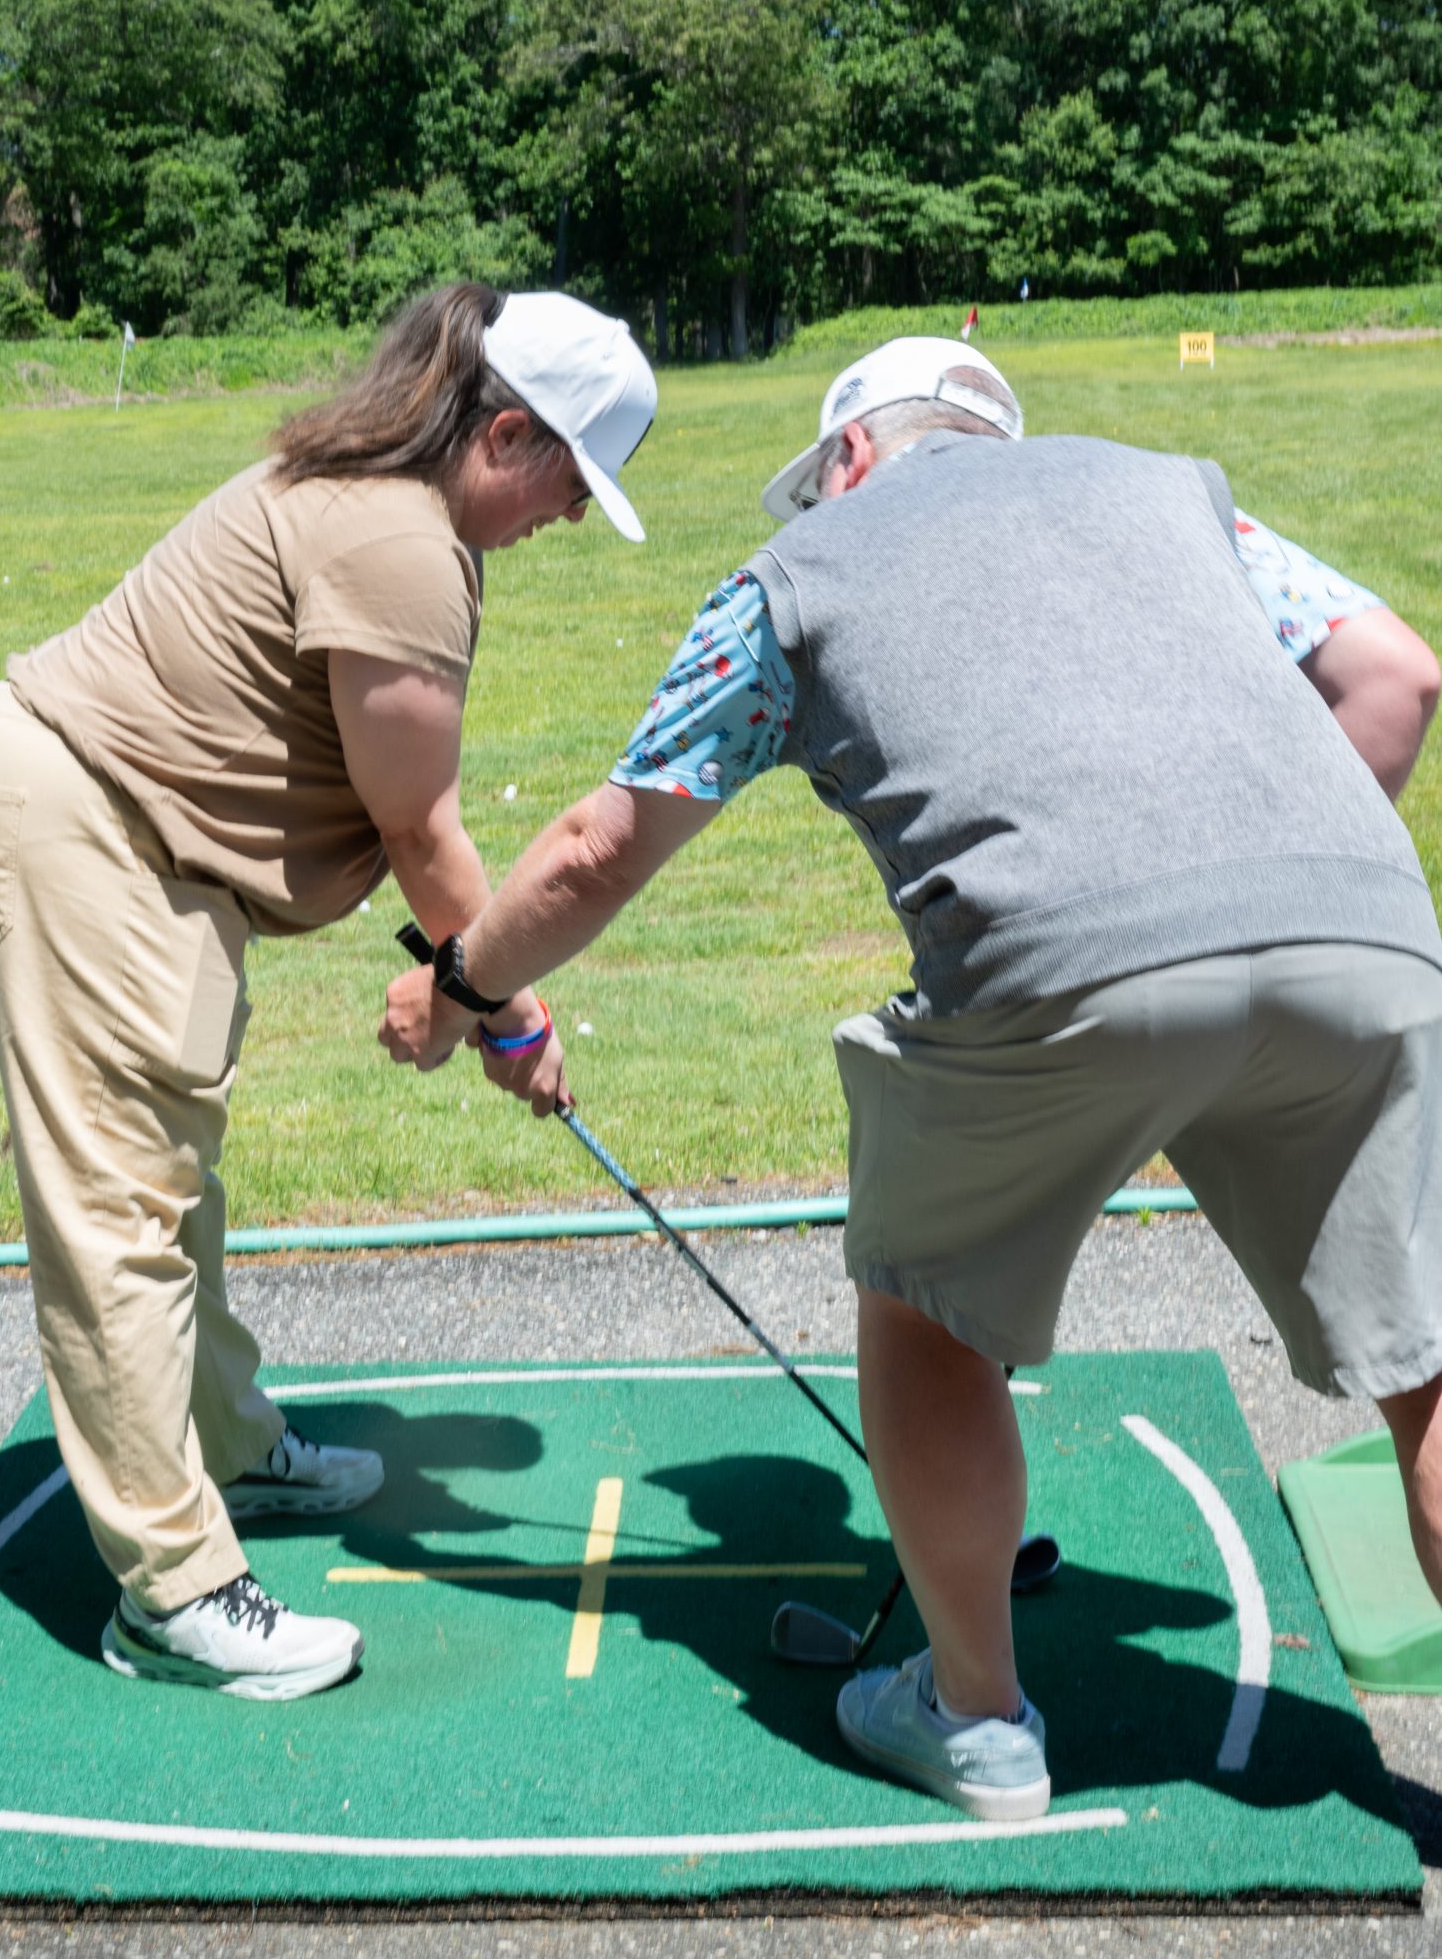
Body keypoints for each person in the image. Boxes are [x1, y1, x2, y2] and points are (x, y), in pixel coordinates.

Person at [380, 333, 1442, 1818]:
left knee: (923, 1302)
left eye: (822, 481)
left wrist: (462, 986)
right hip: (1369, 929)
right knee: (1430, 1368)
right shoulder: (1174, 492)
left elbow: (601, 846)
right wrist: (1244, 920)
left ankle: (978, 1720)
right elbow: (1396, 676)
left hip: (1058, 958)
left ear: (854, 456)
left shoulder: (792, 577)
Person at [0, 283, 656, 1704]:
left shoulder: (391, 505)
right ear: (506, 435)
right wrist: (507, 1014)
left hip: (145, 845)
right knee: (122, 1213)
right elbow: (423, 833)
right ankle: (174, 1591)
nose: (574, 516)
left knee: (172, 1181)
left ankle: (227, 1448)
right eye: (576, 481)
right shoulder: (404, 544)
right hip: (89, 824)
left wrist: (475, 997)